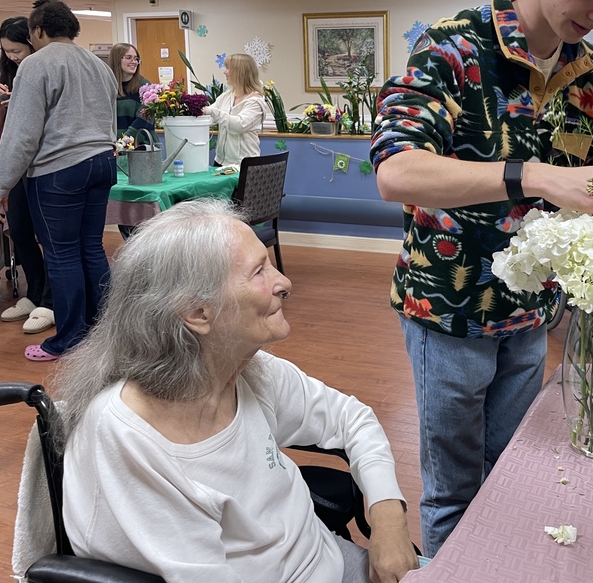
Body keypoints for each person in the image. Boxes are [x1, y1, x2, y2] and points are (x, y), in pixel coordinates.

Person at [369, 0, 593, 556]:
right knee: (452, 495)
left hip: (532, 318)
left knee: (516, 480)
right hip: (447, 315)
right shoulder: (454, 47)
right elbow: (396, 172)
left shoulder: (590, 76)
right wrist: (534, 176)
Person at [53, 199, 418, 583]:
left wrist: (388, 517)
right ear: (197, 314)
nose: (284, 283)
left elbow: (352, 418)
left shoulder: (243, 370)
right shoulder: (131, 442)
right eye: (259, 271)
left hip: (326, 557)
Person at [0, 0, 118, 362]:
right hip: (102, 162)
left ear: (38, 30)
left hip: (60, 170)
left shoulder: (36, 65)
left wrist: (1, 185)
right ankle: (103, 331)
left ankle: (67, 339)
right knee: (90, 248)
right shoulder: (97, 64)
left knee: (61, 254)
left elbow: (22, 134)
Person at [0, 16, 56, 335]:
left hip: (45, 164)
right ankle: (33, 294)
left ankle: (50, 301)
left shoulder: (45, 68)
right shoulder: (12, 74)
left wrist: (25, 107)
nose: (13, 56)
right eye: (7, 52)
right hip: (18, 166)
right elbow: (0, 127)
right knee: (20, 231)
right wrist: (0, 103)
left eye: (16, 49)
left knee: (50, 237)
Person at [204, 53, 266, 167]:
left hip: (243, 164)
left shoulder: (256, 102)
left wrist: (211, 112)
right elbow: (209, 116)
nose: (225, 72)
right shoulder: (227, 95)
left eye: (228, 68)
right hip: (220, 161)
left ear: (239, 72)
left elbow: (238, 125)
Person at [109, 43, 155, 138]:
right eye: (128, 57)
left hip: (139, 146)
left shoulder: (145, 87)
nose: (134, 62)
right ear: (116, 59)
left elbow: (144, 120)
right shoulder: (107, 85)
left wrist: (124, 141)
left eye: (136, 58)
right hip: (111, 145)